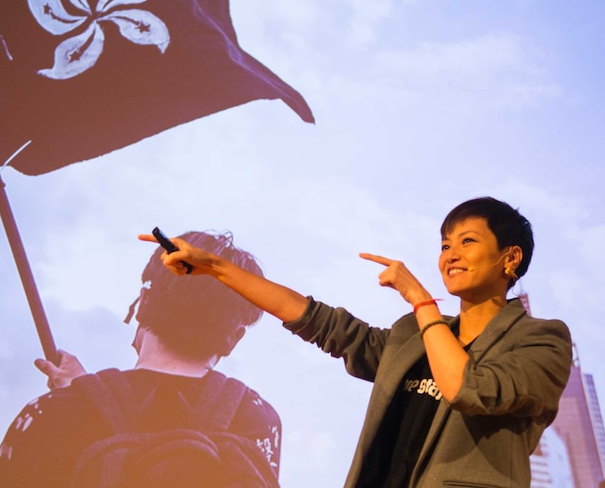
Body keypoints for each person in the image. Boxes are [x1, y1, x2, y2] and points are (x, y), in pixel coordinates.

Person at [141, 197, 573, 488]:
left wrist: (421, 301)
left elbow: (468, 388)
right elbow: (318, 320)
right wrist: (214, 267)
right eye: (445, 244)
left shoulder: (542, 341)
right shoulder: (413, 335)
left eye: (467, 242)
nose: (450, 255)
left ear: (510, 258)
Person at [0, 231, 282, 488]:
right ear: (234, 338)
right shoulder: (259, 421)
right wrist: (83, 391)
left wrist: (75, 398)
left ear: (144, 303)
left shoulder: (51, 413)